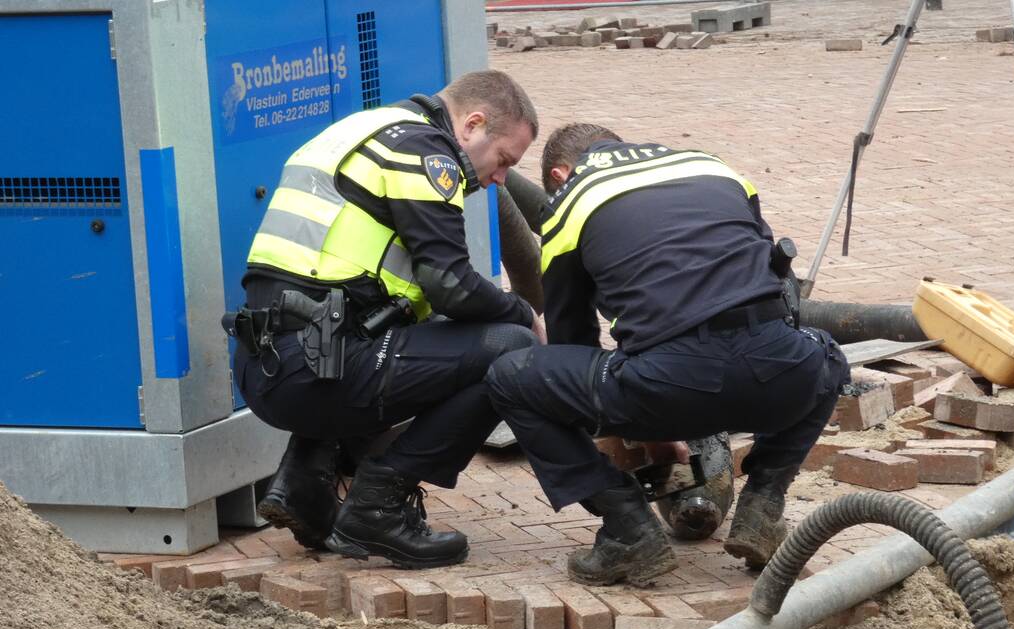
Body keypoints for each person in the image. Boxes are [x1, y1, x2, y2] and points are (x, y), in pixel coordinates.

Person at [485, 123, 849, 586]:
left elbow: (572, 343)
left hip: (669, 386)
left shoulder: (570, 202)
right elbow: (776, 282)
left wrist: (642, 426)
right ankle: (764, 504)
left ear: (558, 174)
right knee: (827, 355)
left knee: (511, 377)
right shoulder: (715, 168)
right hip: (781, 377)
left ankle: (628, 530)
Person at [227, 70, 544, 570]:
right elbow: (451, 284)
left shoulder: (363, 129)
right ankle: (380, 506)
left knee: (406, 330)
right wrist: (524, 313)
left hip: (265, 364)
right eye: (504, 160)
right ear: (472, 125)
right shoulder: (425, 152)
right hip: (316, 371)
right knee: (510, 346)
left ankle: (304, 486)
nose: (501, 179)